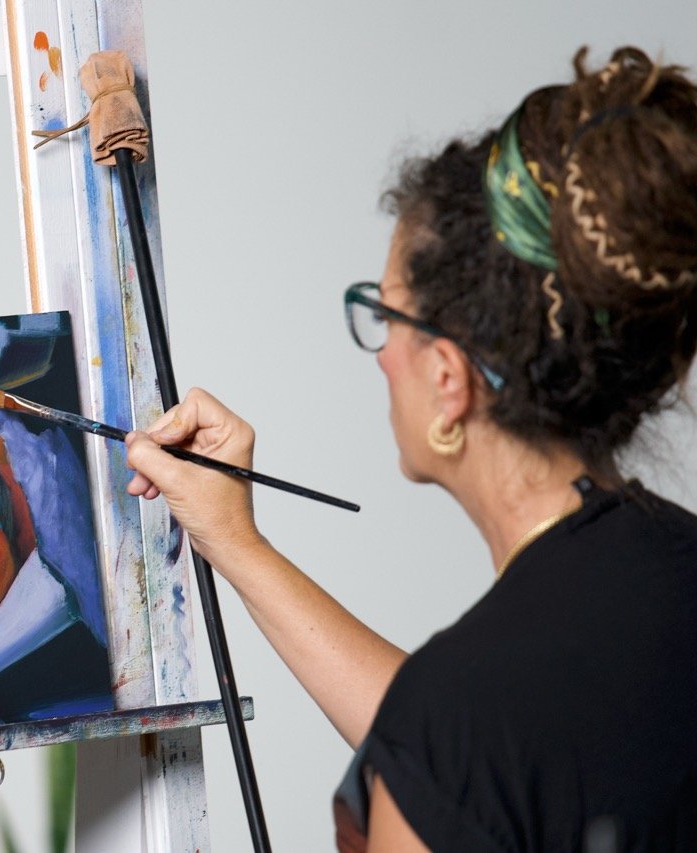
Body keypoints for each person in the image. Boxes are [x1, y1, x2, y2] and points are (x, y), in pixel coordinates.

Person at [124, 46, 697, 852]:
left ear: (448, 378)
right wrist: (237, 544)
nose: (382, 354)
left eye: (386, 314)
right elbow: (489, 755)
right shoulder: (668, 571)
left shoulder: (468, 714)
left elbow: (470, 753)